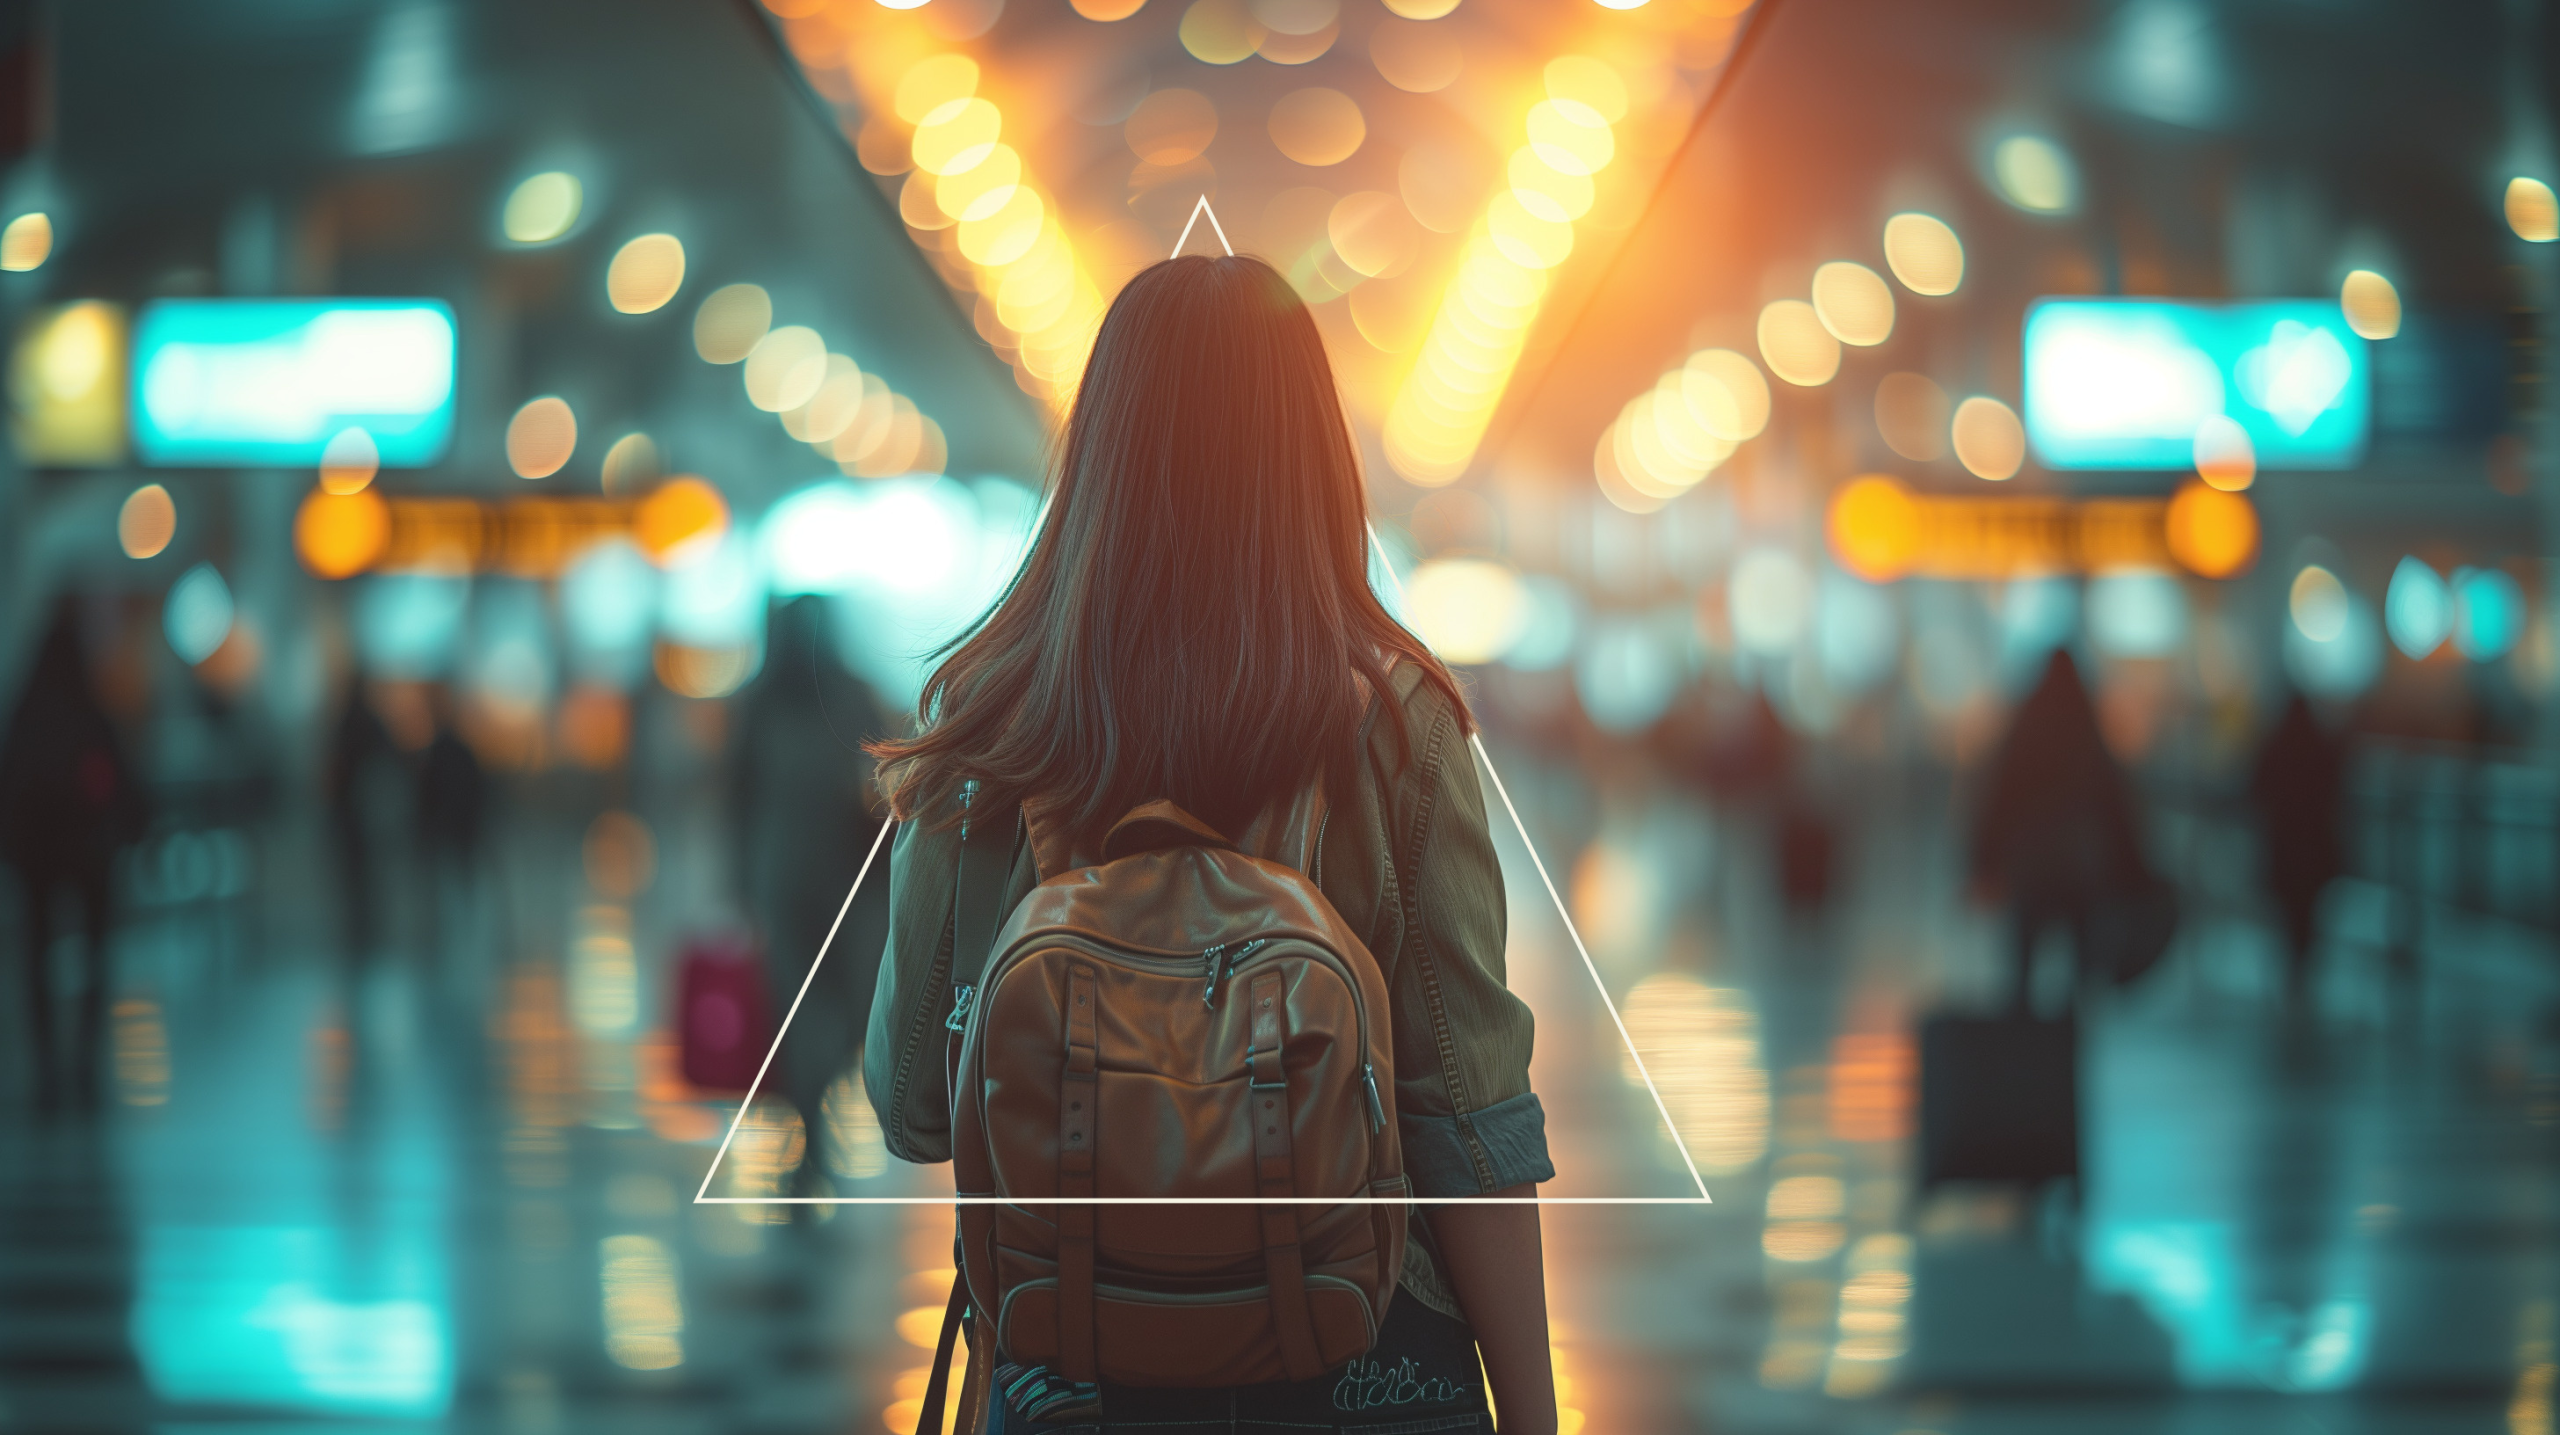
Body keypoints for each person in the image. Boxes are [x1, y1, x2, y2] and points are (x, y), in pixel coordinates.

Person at [861, 255, 1557, 1434]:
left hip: (1068, 1374)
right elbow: (1471, 1127)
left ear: (1099, 458)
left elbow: (914, 1104)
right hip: (1365, 1368)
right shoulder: (1396, 723)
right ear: (1313, 459)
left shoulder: (988, 729)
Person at [729, 594, 890, 1194]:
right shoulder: (776, 699)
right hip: (806, 874)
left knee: (843, 1007)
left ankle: (814, 1106)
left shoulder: (834, 694)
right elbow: (738, 794)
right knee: (805, 1006)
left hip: (829, 873)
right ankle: (810, 1126)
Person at [0, 601, 145, 1111]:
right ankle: (83, 1059)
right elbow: (126, 786)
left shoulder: (27, 710)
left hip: (37, 859)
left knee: (37, 957)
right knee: (92, 955)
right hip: (89, 856)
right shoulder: (89, 711)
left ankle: (45, 1063)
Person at [1967, 648, 2149, 1014]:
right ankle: (2067, 1046)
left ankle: (2024, 1047)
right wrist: (2133, 869)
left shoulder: (2025, 731)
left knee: (2023, 970)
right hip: (2079, 869)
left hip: (2029, 869)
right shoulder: (2088, 734)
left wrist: (1981, 862)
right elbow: (2115, 807)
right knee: (2080, 973)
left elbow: (1997, 800)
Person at [2247, 692, 2346, 1003]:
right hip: (2315, 847)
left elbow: (2253, 787)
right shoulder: (2320, 745)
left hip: (2284, 847)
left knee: (2288, 912)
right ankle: (2304, 966)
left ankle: (2294, 969)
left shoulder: (2276, 746)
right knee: (2309, 911)